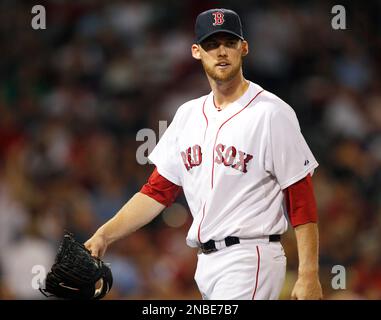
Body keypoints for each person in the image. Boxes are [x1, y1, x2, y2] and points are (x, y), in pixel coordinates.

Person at [85, 8, 323, 300]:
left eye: (229, 43)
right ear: (197, 52)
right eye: (212, 44)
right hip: (206, 263)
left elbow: (300, 196)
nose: (221, 52)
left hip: (251, 256)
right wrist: (104, 234)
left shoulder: (272, 113)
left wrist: (308, 273)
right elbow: (158, 191)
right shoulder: (188, 115)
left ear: (243, 47)